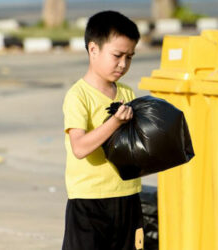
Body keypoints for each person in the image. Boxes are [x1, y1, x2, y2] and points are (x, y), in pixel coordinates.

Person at [61, 10, 144, 250]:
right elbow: (80, 148)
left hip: (127, 194)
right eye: (117, 55)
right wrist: (115, 122)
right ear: (93, 49)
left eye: (130, 57)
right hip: (89, 199)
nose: (123, 64)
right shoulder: (79, 96)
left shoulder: (127, 93)